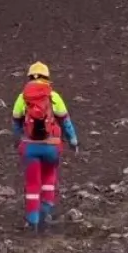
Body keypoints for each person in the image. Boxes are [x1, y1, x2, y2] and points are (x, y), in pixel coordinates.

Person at [12, 62, 78, 231]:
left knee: (32, 183)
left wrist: (18, 142)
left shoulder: (22, 98)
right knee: (49, 177)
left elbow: (16, 122)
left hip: (29, 147)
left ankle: (32, 220)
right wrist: (73, 141)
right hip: (51, 147)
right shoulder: (54, 97)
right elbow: (66, 122)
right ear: (47, 78)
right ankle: (46, 212)